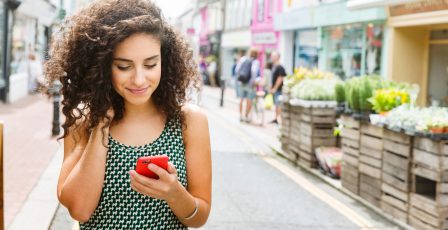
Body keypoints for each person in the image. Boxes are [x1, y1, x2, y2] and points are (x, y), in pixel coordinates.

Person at [45, 0, 212, 229]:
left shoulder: (189, 121)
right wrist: (101, 125)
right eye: (124, 67)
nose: (139, 80)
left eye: (151, 64)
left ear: (165, 59)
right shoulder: (84, 119)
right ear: (102, 66)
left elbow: (199, 218)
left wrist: (175, 194)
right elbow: (80, 210)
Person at [236, 48, 260, 122]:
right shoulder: (256, 62)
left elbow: (237, 70)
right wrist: (252, 82)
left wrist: (239, 79)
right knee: (249, 100)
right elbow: (254, 72)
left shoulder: (243, 59)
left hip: (242, 82)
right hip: (250, 84)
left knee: (241, 99)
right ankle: (246, 116)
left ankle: (240, 116)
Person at [270, 51, 286, 124]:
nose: (272, 58)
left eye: (274, 56)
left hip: (279, 90)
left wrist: (275, 88)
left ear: (278, 57)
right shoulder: (275, 66)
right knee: (276, 105)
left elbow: (280, 78)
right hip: (275, 89)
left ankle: (279, 119)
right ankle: (276, 118)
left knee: (278, 104)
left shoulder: (280, 67)